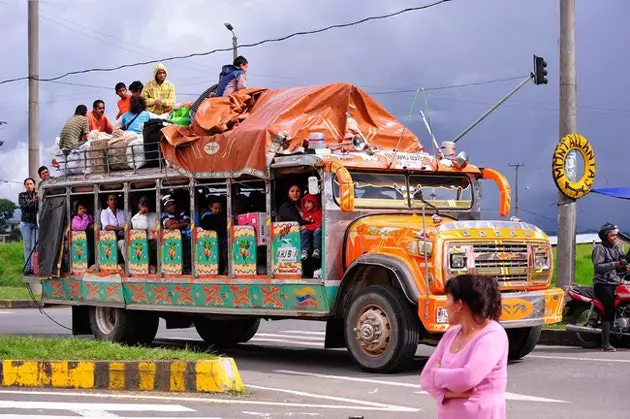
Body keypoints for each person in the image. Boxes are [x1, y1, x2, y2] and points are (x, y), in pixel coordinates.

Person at [420, 274, 508, 419]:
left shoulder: (493, 335)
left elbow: (467, 378)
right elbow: (425, 379)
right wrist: (449, 393)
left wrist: (436, 374)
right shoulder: (450, 335)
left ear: (459, 304)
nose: (444, 305)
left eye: (447, 298)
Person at [592, 223, 629, 352]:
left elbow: (623, 260)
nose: (615, 237)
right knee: (609, 310)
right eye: (612, 235)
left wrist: (625, 264)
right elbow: (598, 267)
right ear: (605, 236)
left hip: (615, 283)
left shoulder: (616, 248)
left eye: (616, 235)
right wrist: (616, 264)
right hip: (603, 284)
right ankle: (605, 344)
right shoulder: (599, 249)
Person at [161, 194, 191, 272]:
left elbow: (188, 221)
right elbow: (169, 226)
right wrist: (182, 223)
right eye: (168, 206)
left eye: (173, 204)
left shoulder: (182, 211)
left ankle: (187, 268)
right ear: (165, 208)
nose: (172, 207)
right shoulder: (165, 215)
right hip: (172, 241)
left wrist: (175, 223)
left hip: (186, 237)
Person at [200, 195, 228, 274]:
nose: (218, 210)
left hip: (222, 239)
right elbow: (205, 226)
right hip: (209, 240)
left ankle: (226, 268)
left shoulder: (224, 216)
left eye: (219, 208)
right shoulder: (206, 216)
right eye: (215, 208)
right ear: (210, 207)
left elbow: (223, 227)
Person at [131, 196, 158, 273]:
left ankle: (158, 266)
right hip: (140, 242)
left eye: (146, 205)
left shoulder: (154, 215)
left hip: (153, 239)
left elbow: (157, 228)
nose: (145, 207)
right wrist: (142, 214)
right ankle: (146, 267)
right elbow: (144, 227)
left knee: (159, 244)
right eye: (143, 205)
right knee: (143, 247)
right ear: (139, 206)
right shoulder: (135, 218)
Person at [18, 178, 38, 274]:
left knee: (35, 246)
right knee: (27, 246)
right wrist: (32, 201)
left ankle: (35, 268)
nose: (29, 185)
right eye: (27, 184)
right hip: (25, 223)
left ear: (34, 185)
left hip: (36, 223)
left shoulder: (38, 194)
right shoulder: (22, 195)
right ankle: (28, 267)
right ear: (25, 186)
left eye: (31, 183)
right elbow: (24, 207)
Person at [100, 193, 127, 263]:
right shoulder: (105, 212)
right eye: (111, 199)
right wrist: (120, 228)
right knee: (123, 243)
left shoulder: (122, 212)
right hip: (109, 240)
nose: (113, 201)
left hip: (121, 237)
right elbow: (106, 227)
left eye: (114, 199)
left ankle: (133, 265)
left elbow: (126, 225)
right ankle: (128, 265)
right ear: (107, 202)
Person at [71, 201, 95, 266]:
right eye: (80, 209)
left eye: (84, 208)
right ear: (77, 211)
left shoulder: (88, 217)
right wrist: (85, 218)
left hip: (88, 242)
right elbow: (82, 227)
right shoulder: (75, 219)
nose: (83, 210)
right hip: (79, 243)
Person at [299, 193, 322, 260]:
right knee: (304, 232)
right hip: (308, 232)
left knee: (317, 230)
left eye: (309, 202)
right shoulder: (305, 213)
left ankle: (316, 250)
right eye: (305, 203)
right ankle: (304, 251)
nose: (306, 205)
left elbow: (320, 224)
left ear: (314, 203)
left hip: (315, 232)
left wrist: (307, 227)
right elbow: (304, 225)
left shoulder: (319, 212)